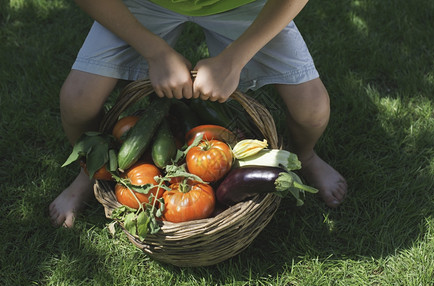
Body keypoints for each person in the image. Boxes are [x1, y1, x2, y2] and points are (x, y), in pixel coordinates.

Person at [49, 0, 347, 228]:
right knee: (77, 100)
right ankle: (89, 173)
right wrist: (156, 53)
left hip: (245, 6)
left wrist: (234, 60)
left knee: (312, 107)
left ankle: (306, 155)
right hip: (145, 4)